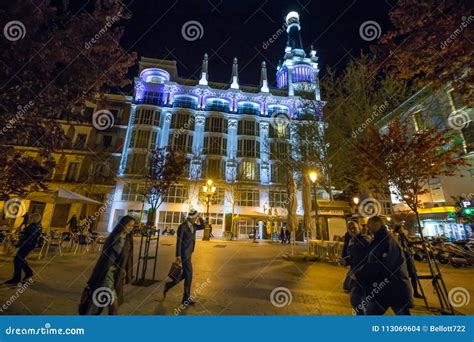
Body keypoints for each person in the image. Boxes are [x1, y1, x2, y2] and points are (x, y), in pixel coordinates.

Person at [358, 216, 414, 315]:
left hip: (393, 287)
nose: (368, 228)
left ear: (377, 224)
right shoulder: (379, 239)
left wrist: (363, 272)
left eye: (369, 225)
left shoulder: (386, 241)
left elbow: (384, 264)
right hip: (384, 288)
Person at [81, 215, 135, 315]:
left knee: (98, 301)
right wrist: (95, 275)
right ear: (122, 225)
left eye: (132, 226)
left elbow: (129, 259)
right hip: (106, 274)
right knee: (113, 305)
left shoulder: (128, 240)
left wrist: (129, 275)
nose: (130, 228)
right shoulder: (113, 237)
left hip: (117, 275)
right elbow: (103, 258)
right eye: (128, 225)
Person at [163, 209, 204, 305]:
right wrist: (178, 255)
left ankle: (168, 285)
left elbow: (203, 226)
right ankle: (186, 298)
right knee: (189, 275)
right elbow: (179, 241)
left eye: (196, 217)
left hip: (189, 253)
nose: (195, 219)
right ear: (190, 217)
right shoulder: (183, 227)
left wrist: (200, 217)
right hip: (184, 254)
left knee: (186, 274)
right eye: (195, 217)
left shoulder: (194, 225)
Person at [5, 213, 42, 285]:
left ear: (33, 219)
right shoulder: (37, 225)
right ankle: (28, 273)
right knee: (21, 259)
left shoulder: (33, 227)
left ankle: (16, 279)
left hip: (27, 245)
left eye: (30, 218)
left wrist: (18, 243)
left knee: (17, 260)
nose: (29, 219)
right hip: (29, 245)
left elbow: (28, 238)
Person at [345, 221, 370, 315]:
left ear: (359, 228)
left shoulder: (365, 240)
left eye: (354, 228)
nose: (352, 230)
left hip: (364, 275)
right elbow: (354, 257)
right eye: (350, 228)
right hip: (357, 275)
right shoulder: (352, 240)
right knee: (361, 301)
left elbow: (370, 258)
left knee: (355, 298)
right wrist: (346, 261)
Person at [393, 225, 424, 299]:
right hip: (403, 258)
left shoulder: (403, 236)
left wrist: (419, 242)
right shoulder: (396, 237)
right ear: (398, 229)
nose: (403, 230)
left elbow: (409, 243)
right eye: (402, 228)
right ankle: (403, 294)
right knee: (403, 276)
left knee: (413, 274)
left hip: (408, 256)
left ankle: (415, 292)